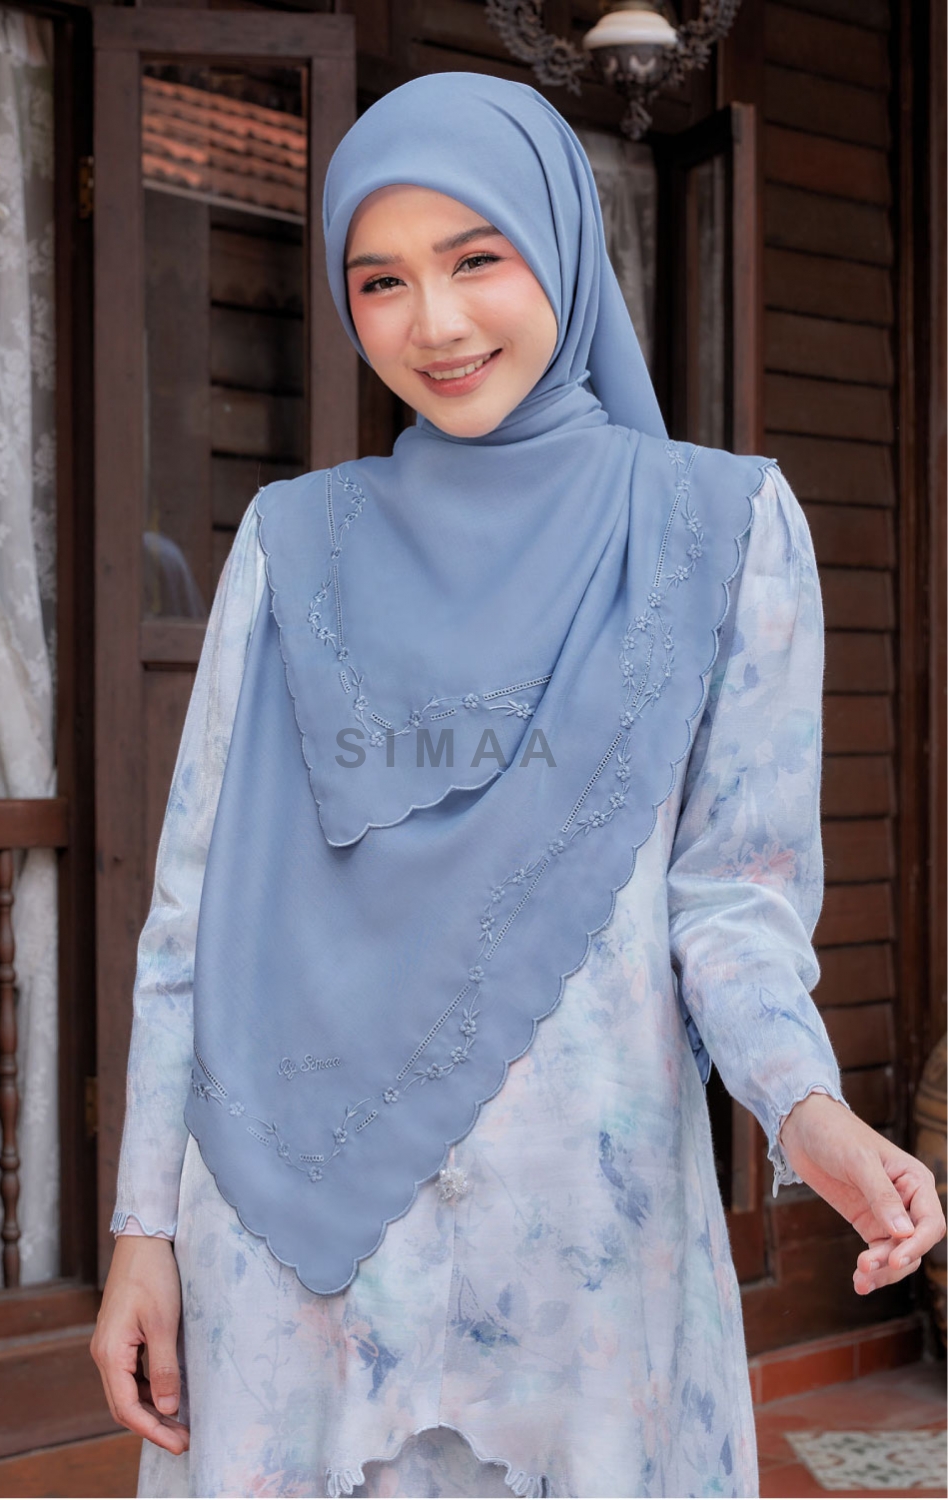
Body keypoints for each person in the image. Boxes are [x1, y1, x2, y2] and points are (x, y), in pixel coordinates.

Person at [91, 73, 945, 1500]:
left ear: (561, 246)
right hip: (286, 1258)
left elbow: (732, 905)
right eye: (380, 279)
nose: (433, 322)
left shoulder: (719, 530)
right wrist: (142, 1231)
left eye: (475, 258)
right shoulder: (291, 545)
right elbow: (190, 919)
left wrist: (810, 1112)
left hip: (582, 1254)